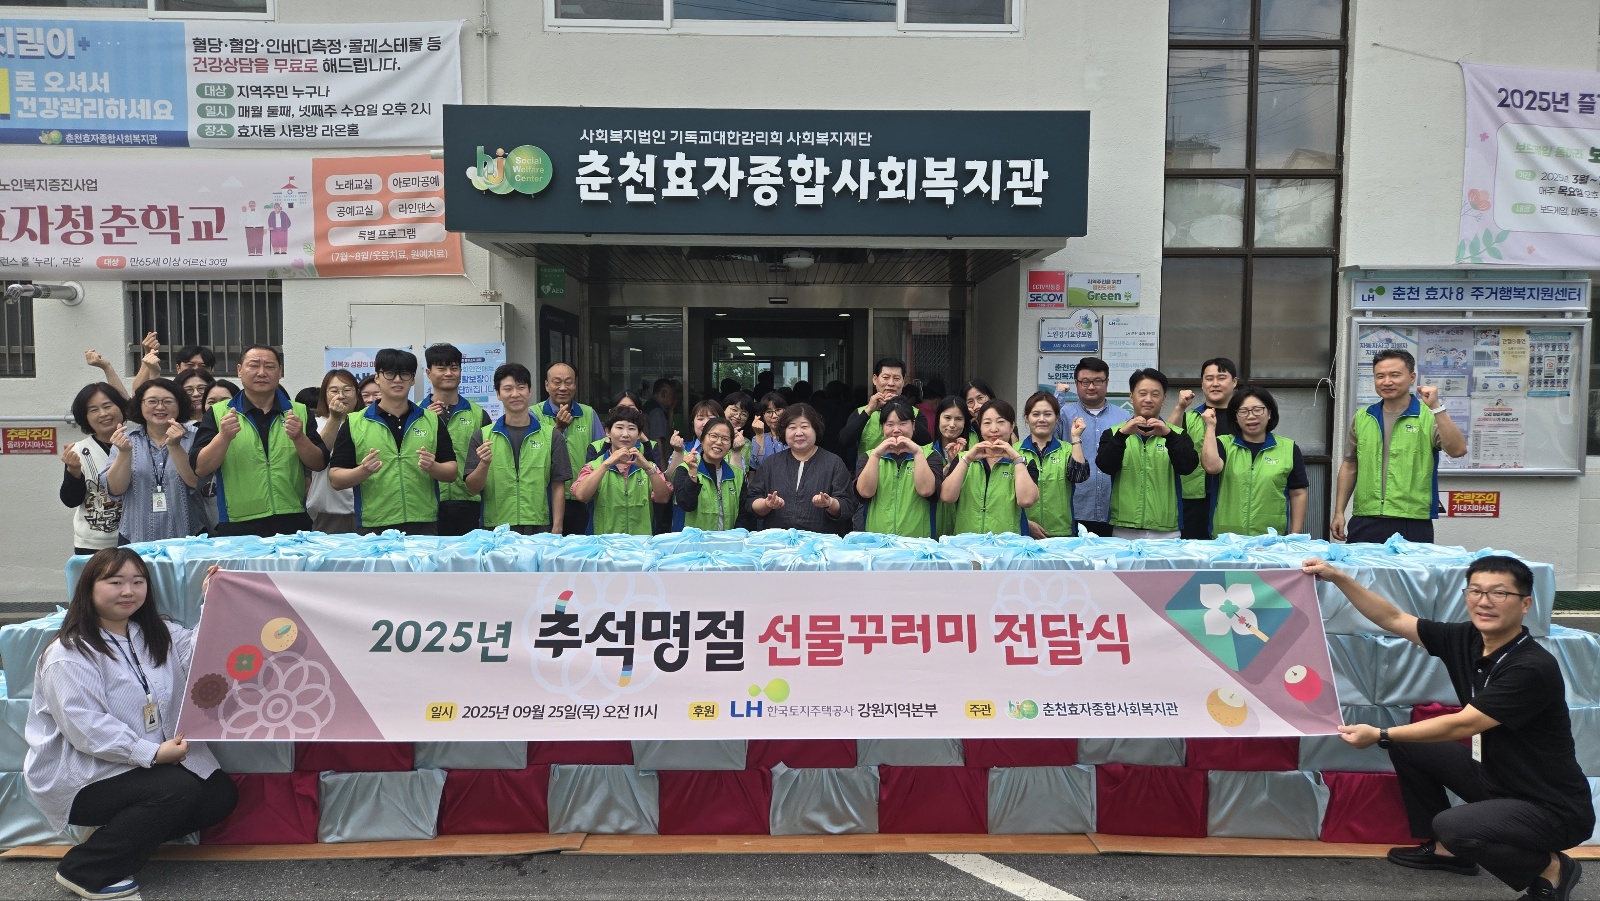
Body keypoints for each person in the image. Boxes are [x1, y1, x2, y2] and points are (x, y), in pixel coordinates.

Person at [1303, 555, 1591, 900]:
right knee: (1408, 744)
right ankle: (1447, 853)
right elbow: (1393, 618)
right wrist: (1337, 577)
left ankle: (1551, 869)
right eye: (1476, 591)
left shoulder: (1531, 667)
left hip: (1550, 807)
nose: (1484, 602)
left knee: (1452, 825)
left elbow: (1464, 724)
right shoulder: (1468, 638)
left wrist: (1380, 734)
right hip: (1498, 781)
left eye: (1499, 593)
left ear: (1525, 604)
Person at [26, 549, 236, 901]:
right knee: (178, 790)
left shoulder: (155, 632)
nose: (128, 591)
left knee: (218, 796)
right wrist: (151, 753)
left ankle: (119, 838)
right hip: (84, 773)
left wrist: (213, 601)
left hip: (142, 763)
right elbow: (87, 729)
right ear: (89, 588)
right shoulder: (69, 653)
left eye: (137, 582)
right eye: (115, 582)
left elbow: (200, 654)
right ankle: (85, 869)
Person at [190, 345, 328, 538]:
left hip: (292, 518)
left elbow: (319, 463)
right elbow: (200, 468)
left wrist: (299, 438)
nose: (262, 372)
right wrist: (223, 437)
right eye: (254, 365)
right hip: (237, 521)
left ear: (280, 372)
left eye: (269, 366)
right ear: (239, 370)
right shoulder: (218, 413)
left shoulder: (299, 412)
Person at [1332, 349, 1468, 544]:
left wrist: (1437, 407)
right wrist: (1339, 512)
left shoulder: (1428, 416)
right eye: (1380, 376)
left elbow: (1458, 450)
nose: (1387, 382)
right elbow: (1350, 466)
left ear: (1412, 377)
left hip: (1412, 520)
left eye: (1395, 375)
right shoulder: (1363, 417)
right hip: (1365, 518)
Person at [327, 348, 457, 535]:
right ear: (377, 377)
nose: (397, 380)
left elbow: (452, 472)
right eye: (389, 373)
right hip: (374, 524)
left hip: (423, 522)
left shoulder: (432, 420)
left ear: (413, 380)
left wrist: (433, 467)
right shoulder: (355, 422)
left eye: (405, 374)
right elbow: (335, 478)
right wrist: (363, 470)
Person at [465, 364, 571, 534]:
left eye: (521, 387)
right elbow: (472, 489)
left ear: (529, 391)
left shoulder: (552, 436)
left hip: (539, 525)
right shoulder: (482, 436)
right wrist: (484, 464)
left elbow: (558, 484)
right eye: (508, 389)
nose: (515, 394)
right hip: (496, 527)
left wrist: (557, 527)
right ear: (498, 394)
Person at [1095, 368, 1198, 539]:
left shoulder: (1177, 434)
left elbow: (1187, 467)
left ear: (1163, 398)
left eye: (1155, 394)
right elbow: (1105, 466)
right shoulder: (1113, 433)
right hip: (1124, 528)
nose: (1148, 399)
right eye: (1142, 393)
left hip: (1167, 530)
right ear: (1131, 397)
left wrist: (1169, 435)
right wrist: (1122, 435)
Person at [102, 380, 203, 544]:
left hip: (188, 535)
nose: (160, 407)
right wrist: (124, 453)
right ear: (140, 405)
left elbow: (196, 482)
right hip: (136, 536)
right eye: (152, 401)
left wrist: (175, 447)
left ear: (180, 405)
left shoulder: (195, 436)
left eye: (168, 401)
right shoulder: (126, 440)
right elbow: (115, 490)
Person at [1198, 387, 1308, 537]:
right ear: (1235, 417)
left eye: (1257, 410)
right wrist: (1210, 427)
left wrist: (1295, 535)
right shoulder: (1224, 444)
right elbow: (1211, 467)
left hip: (1271, 539)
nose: (1251, 416)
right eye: (1243, 411)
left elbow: (1298, 493)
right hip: (1227, 538)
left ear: (1269, 413)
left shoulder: (1288, 448)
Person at [742, 403, 857, 534]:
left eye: (804, 426)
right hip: (779, 542)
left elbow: (848, 505)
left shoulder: (833, 463)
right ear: (784, 431)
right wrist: (766, 504)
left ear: (815, 429)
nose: (798, 433)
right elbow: (751, 502)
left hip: (820, 542)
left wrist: (830, 503)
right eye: (792, 427)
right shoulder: (771, 463)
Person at [422, 344, 492, 537]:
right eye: (441, 368)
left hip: (470, 502)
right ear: (428, 373)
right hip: (427, 502)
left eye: (454, 368)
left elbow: (489, 462)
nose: (448, 373)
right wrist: (425, 420)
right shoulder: (417, 414)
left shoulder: (478, 414)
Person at [939, 398, 1038, 534]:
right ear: (980, 427)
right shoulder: (963, 458)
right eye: (987, 423)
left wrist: (1017, 460)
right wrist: (967, 459)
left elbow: (1026, 501)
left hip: (1008, 543)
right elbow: (947, 497)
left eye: (1001, 422)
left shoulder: (1025, 461)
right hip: (968, 542)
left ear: (1012, 426)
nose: (994, 429)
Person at [1059, 356, 1132, 537]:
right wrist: (1058, 396)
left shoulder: (1124, 417)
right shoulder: (1064, 415)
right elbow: (1045, 439)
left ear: (1107, 382)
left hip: (1113, 510)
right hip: (1073, 508)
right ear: (1076, 383)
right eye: (1085, 382)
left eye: (1097, 381)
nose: (1091, 387)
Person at [571, 405, 670, 535]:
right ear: (608, 432)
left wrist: (647, 468)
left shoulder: (649, 466)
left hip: (641, 543)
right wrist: (606, 464)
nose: (625, 434)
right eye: (619, 427)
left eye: (631, 428)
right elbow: (581, 495)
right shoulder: (594, 466)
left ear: (639, 434)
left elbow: (663, 498)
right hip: (603, 543)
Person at [1169, 357, 1239, 540]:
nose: (1215, 383)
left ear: (1234, 382)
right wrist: (1180, 407)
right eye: (1209, 378)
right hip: (1194, 500)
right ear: (1202, 384)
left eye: (1221, 378)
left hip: (1234, 497)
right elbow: (1167, 439)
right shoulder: (1191, 417)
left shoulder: (1244, 418)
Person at [855, 397, 942, 538]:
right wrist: (876, 455)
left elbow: (926, 490)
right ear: (882, 428)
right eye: (890, 424)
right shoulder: (868, 457)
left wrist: (917, 452)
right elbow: (865, 492)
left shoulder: (929, 456)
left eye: (903, 423)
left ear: (913, 425)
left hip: (917, 543)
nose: (896, 430)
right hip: (878, 543)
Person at [537, 362, 603, 535]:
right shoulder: (534, 414)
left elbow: (601, 454)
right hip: (544, 498)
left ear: (575, 385)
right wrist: (558, 429)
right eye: (557, 382)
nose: (563, 387)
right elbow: (533, 456)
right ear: (547, 385)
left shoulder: (589, 414)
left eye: (568, 382)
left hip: (581, 498)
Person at [63, 384, 127, 556]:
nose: (103, 413)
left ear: (121, 407)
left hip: (135, 539)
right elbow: (70, 500)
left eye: (108, 406)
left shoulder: (140, 443)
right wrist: (73, 472)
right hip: (93, 544)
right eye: (93, 410)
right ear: (85, 417)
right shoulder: (78, 450)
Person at [1017, 391, 1090, 539]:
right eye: (1035, 414)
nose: (1042, 419)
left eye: (1048, 414)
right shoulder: (1014, 451)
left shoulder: (1068, 449)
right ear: (1026, 418)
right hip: (1023, 533)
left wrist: (1076, 438)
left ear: (1057, 418)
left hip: (1062, 533)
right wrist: (1025, 523)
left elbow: (1079, 476)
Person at [841, 358, 932, 462]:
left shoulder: (915, 413)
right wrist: (869, 410)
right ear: (875, 379)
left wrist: (902, 408)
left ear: (904, 382)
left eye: (896, 378)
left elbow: (926, 441)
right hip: (869, 470)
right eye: (886, 377)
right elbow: (845, 440)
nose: (891, 383)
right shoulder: (861, 412)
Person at [306, 369, 359, 534]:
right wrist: (335, 418)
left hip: (366, 509)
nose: (341, 396)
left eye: (347, 390)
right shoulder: (315, 423)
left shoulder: (366, 423)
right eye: (334, 391)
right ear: (325, 395)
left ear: (357, 394)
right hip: (329, 510)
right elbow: (319, 456)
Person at [671, 417, 744, 531]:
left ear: (730, 445)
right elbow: (686, 504)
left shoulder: (737, 474)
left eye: (725, 439)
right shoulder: (684, 469)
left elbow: (744, 514)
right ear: (702, 439)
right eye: (714, 436)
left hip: (727, 540)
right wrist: (692, 472)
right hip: (692, 540)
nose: (719, 442)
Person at [926, 395, 969, 538]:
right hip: (930, 527)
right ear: (938, 418)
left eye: (958, 419)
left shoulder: (975, 455)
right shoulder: (924, 453)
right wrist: (949, 466)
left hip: (963, 532)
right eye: (947, 418)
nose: (952, 424)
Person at [748, 391, 789, 471]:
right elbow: (758, 465)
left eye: (778, 410)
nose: (774, 416)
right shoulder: (758, 438)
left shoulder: (794, 436)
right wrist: (759, 435)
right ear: (763, 416)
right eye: (769, 412)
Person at [959, 378, 994, 443]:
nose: (976, 406)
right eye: (970, 402)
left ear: (990, 397)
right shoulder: (962, 428)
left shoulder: (1003, 422)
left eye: (980, 398)